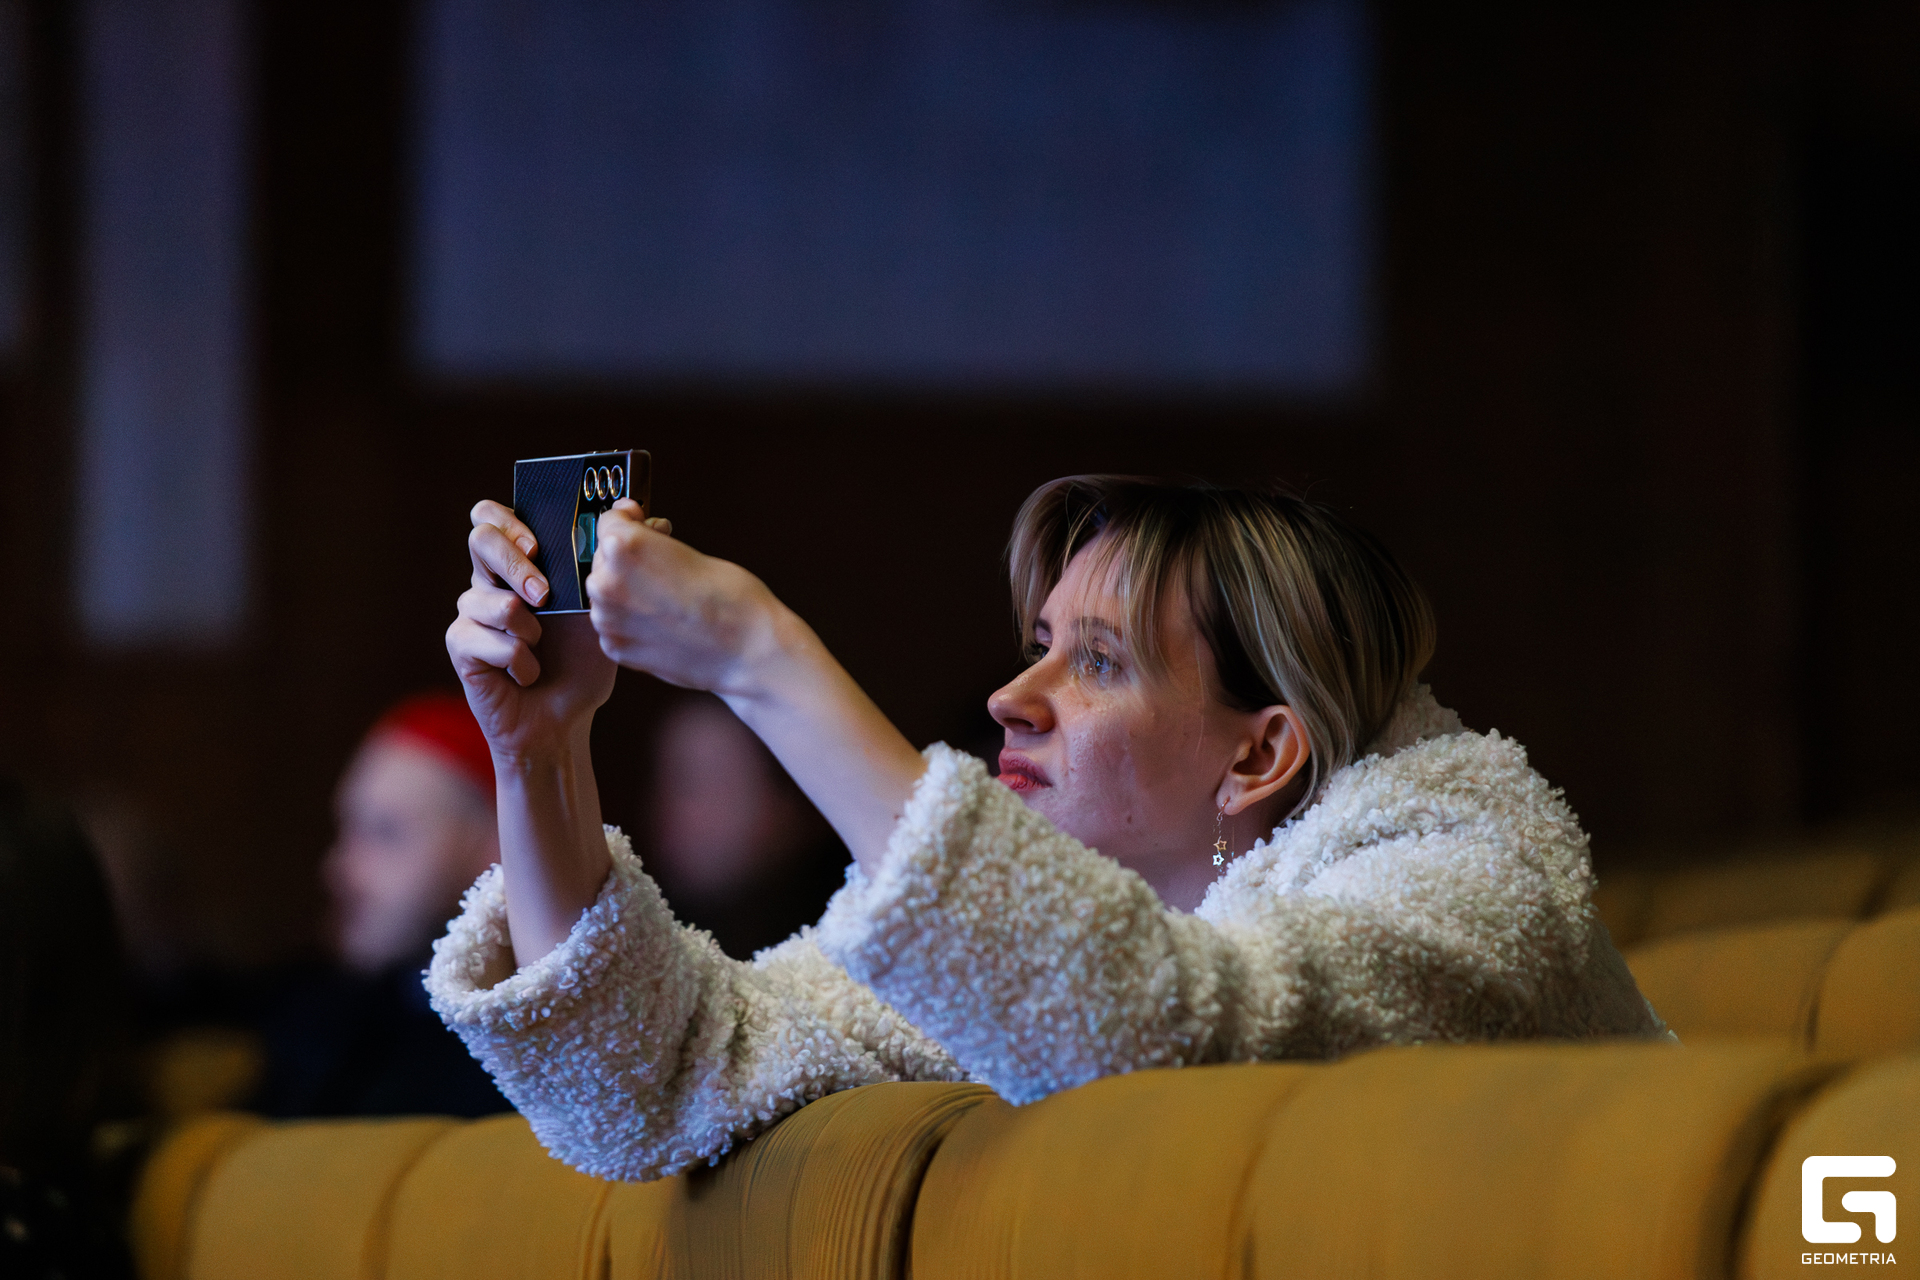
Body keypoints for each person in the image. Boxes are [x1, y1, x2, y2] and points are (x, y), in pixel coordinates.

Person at [429, 475, 1667, 1182]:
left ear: (1259, 753)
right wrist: (539, 751)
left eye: (1099, 661)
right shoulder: (1044, 945)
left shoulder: (1467, 866)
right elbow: (653, 1076)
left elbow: (1179, 1060)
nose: (1011, 698)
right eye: (1038, 644)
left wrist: (764, 658)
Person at [256, 694, 512, 1118]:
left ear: (496, 845)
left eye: (385, 832)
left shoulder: (549, 1053)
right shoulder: (318, 1026)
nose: (338, 869)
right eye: (346, 830)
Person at [644, 695, 849, 960]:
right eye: (665, 780)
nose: (672, 808)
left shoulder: (844, 943)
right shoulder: (645, 943)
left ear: (786, 802)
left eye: (699, 783)